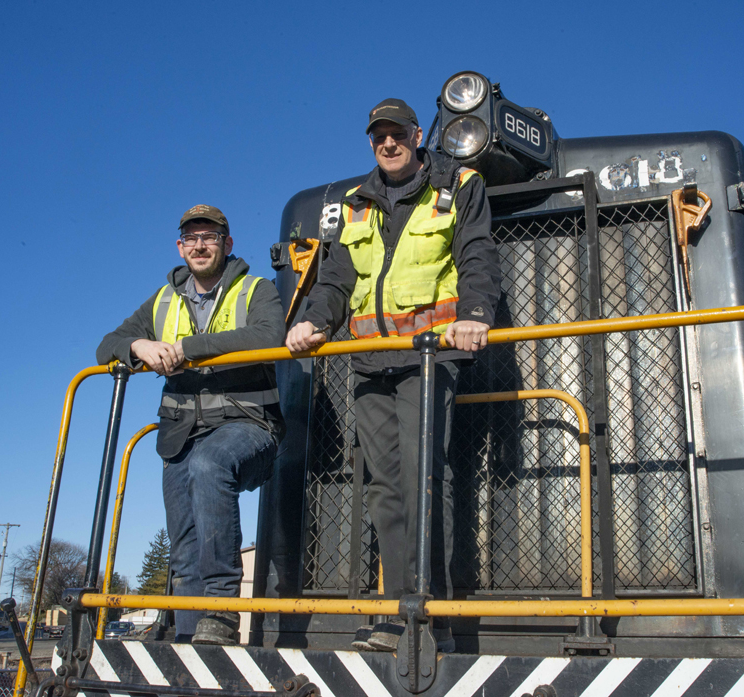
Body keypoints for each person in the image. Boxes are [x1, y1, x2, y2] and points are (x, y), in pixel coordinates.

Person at [286, 98, 501, 652]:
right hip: (369, 360)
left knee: (425, 478)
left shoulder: (458, 186)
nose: (387, 143)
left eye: (396, 133)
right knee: (384, 486)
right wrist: (312, 321)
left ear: (415, 135)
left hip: (429, 355)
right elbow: (335, 277)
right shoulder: (355, 205)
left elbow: (476, 251)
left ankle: (432, 618)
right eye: (377, 136)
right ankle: (398, 611)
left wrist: (476, 315)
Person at [97, 205, 285, 645]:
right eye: (192, 238)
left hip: (248, 425)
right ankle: (187, 641)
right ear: (180, 247)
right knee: (183, 544)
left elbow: (268, 336)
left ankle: (221, 611)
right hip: (180, 434)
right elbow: (106, 345)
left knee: (209, 463)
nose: (201, 245)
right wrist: (139, 344)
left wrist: (188, 347)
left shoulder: (257, 290)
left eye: (211, 237)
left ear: (228, 244)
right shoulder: (161, 300)